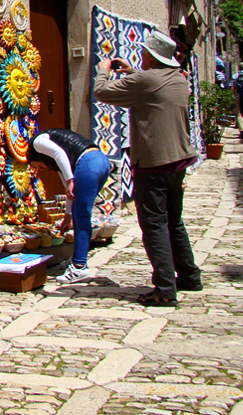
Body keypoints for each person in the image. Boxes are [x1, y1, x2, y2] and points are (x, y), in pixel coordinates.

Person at [93, 30, 202, 307]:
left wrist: (103, 71)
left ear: (150, 56)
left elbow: (101, 92)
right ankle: (189, 275)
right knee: (174, 221)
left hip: (153, 162)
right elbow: (151, 86)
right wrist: (133, 72)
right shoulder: (178, 80)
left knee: (153, 224)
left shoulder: (144, 80)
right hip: (178, 160)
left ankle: (164, 288)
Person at [27, 129, 111, 283]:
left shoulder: (37, 143)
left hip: (88, 163)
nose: (40, 169)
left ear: (34, 156)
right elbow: (70, 192)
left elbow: (59, 154)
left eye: (37, 166)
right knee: (81, 213)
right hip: (101, 162)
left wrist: (70, 181)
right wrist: (67, 216)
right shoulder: (61, 165)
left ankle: (79, 267)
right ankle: (78, 260)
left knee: (82, 216)